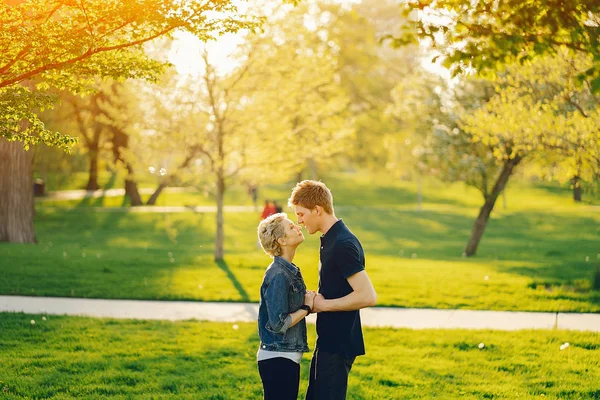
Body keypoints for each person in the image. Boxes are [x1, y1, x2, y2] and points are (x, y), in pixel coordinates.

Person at [288, 180, 377, 400]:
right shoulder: (330, 239)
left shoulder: (342, 243)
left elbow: (367, 296)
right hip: (328, 340)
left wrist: (323, 305)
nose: (298, 221)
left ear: (317, 210)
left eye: (301, 214)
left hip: (338, 343)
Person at [256, 212, 316, 400]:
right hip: (277, 359)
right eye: (291, 227)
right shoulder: (279, 275)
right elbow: (278, 323)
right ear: (282, 240)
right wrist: (306, 308)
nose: (298, 227)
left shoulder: (289, 270)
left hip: (284, 357)